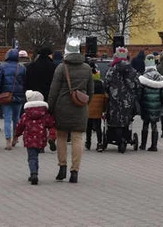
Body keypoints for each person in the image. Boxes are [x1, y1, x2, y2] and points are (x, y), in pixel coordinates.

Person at [47, 37, 93, 183]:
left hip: (62, 107)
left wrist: (50, 108)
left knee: (61, 137)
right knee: (77, 138)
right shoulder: (87, 68)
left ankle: (62, 168)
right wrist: (85, 103)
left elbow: (53, 91)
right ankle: (75, 171)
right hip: (80, 107)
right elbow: (91, 91)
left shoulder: (61, 68)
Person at [14, 89, 55, 185]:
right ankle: (51, 139)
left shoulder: (25, 115)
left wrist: (16, 135)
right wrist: (52, 135)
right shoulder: (45, 115)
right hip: (41, 139)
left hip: (29, 139)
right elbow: (52, 124)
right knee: (36, 156)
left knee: (32, 157)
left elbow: (20, 126)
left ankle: (33, 173)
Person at [0, 48, 27, 149]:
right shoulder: (21, 67)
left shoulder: (2, 66)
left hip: (6, 95)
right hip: (19, 95)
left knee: (7, 119)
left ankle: (8, 141)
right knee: (17, 118)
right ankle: (16, 137)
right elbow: (24, 82)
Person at [138, 54, 163, 151]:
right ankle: (154, 146)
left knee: (145, 124)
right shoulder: (160, 78)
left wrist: (139, 103)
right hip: (157, 105)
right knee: (154, 125)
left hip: (145, 105)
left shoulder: (143, 77)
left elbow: (139, 93)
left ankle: (143, 145)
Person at [85, 65, 106, 150]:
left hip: (89, 108)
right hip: (98, 108)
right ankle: (99, 143)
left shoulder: (87, 84)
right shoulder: (101, 84)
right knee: (98, 127)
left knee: (88, 127)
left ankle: (88, 142)